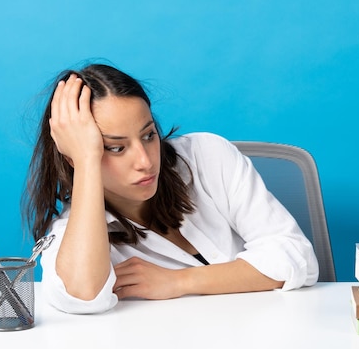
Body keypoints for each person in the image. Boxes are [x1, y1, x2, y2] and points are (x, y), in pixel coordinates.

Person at [22, 62, 319, 314]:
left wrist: (179, 281)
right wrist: (86, 161)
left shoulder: (208, 155)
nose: (144, 160)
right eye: (115, 148)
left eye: (148, 135)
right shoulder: (75, 234)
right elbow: (82, 296)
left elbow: (297, 257)